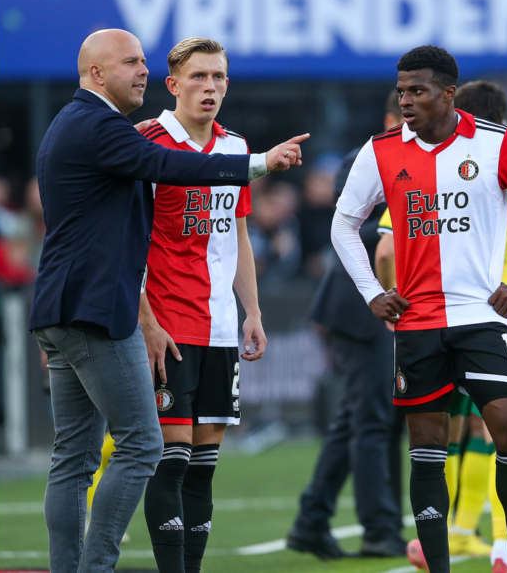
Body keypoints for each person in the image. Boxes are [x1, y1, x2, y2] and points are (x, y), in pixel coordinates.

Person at [29, 28, 306, 573]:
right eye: (132, 62)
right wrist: (260, 163)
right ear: (97, 73)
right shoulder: (106, 127)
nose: (143, 71)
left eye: (144, 61)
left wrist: (250, 311)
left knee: (76, 459)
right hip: (102, 311)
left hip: (67, 307)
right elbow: (171, 167)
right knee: (142, 447)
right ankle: (96, 567)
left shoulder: (73, 123)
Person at [331, 45, 507, 573]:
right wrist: (372, 291)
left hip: (483, 318)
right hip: (417, 324)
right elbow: (343, 224)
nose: (407, 100)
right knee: (428, 447)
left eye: (418, 90)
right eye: (402, 92)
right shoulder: (382, 150)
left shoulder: (498, 143)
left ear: (449, 93)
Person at [374, 79, 507, 572]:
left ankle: (454, 532)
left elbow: (385, 245)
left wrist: (394, 302)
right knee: (500, 433)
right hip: (493, 317)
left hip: (427, 321)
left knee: (444, 436)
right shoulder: (505, 162)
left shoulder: (427, 169)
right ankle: (502, 549)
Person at [130, 38, 267, 573]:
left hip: (221, 327)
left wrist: (251, 311)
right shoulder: (147, 142)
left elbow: (237, 234)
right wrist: (145, 320)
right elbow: (129, 239)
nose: (210, 88)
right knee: (172, 461)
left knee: (205, 466)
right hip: (168, 325)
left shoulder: (237, 148)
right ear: (173, 84)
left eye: (218, 78)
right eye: (198, 77)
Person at [286, 90, 407, 560]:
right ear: (390, 116)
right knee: (375, 419)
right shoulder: (368, 156)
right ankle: (379, 529)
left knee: (356, 418)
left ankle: (311, 521)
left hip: (379, 303)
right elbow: (349, 218)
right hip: (360, 306)